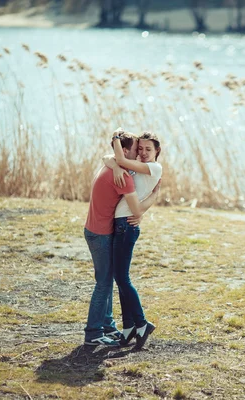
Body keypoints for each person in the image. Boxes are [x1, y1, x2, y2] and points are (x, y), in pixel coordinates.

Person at [83, 130, 158, 347]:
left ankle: (107, 326)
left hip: (95, 230)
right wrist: (154, 196)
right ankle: (93, 333)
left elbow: (109, 158)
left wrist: (116, 162)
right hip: (101, 234)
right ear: (124, 151)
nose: (139, 154)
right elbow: (135, 210)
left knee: (106, 281)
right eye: (136, 149)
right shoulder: (123, 176)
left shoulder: (112, 168)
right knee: (105, 283)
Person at [103, 130, 163, 350]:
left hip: (126, 227)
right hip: (122, 224)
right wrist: (118, 165)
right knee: (120, 279)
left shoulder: (154, 168)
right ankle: (128, 328)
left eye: (148, 149)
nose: (143, 153)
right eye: (140, 149)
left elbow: (117, 158)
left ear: (157, 151)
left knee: (123, 278)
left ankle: (141, 322)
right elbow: (108, 159)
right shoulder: (136, 167)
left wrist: (116, 139)